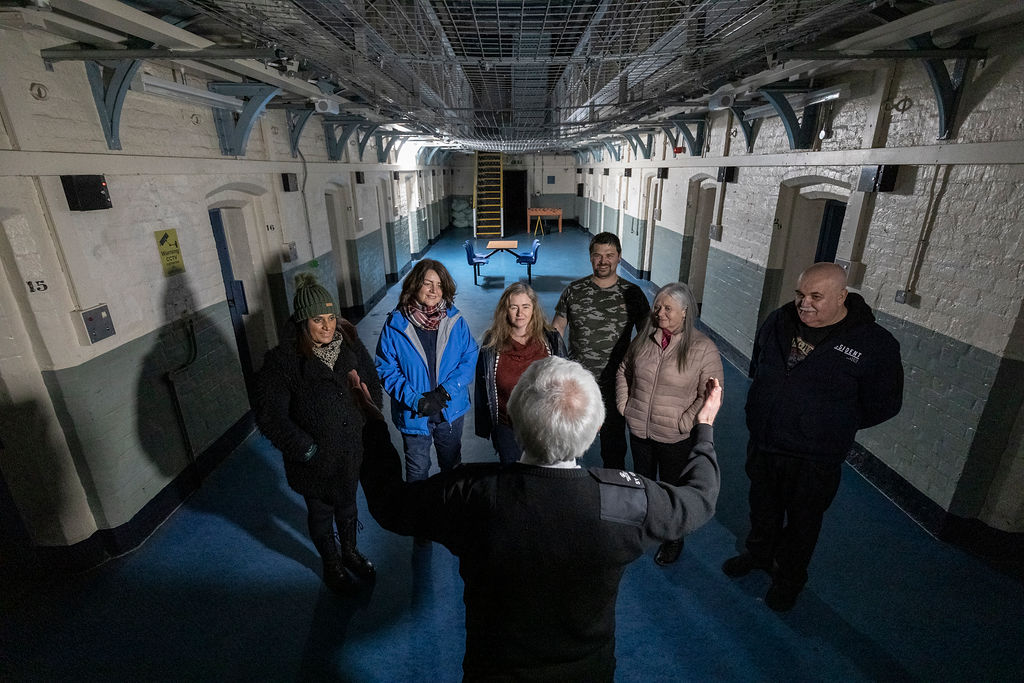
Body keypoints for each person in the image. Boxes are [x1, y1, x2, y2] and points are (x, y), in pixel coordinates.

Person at [353, 356, 722, 681]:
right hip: (587, 673)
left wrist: (372, 424)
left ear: (513, 420)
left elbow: (389, 505)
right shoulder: (625, 499)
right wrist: (703, 428)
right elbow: (700, 499)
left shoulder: (470, 493)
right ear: (595, 430)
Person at [723, 262, 903, 611]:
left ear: (842, 297)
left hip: (815, 457)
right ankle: (758, 555)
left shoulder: (874, 344)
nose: (804, 304)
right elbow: (760, 365)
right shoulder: (780, 320)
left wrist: (832, 423)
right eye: (800, 294)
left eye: (816, 297)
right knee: (763, 507)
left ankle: (789, 578)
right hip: (766, 441)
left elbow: (884, 404)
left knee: (803, 522)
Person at [255, 273, 382, 595]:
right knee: (321, 512)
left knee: (349, 505)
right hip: (313, 460)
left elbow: (372, 383)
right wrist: (306, 449)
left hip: (350, 450)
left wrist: (367, 423)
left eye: (330, 317)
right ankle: (331, 562)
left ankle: (350, 552)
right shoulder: (282, 362)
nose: (327, 326)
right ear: (302, 322)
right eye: (317, 319)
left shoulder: (349, 345)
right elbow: (271, 417)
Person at [616, 282, 723, 566]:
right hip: (640, 429)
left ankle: (673, 537)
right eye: (657, 307)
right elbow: (624, 369)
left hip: (675, 436)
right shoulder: (644, 339)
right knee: (644, 481)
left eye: (667, 309)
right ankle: (646, 525)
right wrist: (625, 405)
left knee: (672, 488)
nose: (659, 314)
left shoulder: (703, 349)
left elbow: (709, 392)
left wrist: (684, 423)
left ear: (685, 312)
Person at [375, 259, 478, 485]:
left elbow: (470, 357)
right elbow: (386, 369)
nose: (434, 290)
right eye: (427, 283)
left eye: (439, 285)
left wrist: (445, 393)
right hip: (414, 414)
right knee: (417, 472)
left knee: (451, 468)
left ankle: (449, 516)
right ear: (414, 285)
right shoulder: (396, 324)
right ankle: (419, 519)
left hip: (449, 410)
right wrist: (416, 401)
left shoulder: (455, 321)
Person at [553, 232, 650, 469]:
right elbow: (556, 330)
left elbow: (647, 336)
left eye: (609, 255)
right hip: (578, 382)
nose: (603, 261)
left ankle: (614, 490)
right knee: (569, 443)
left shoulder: (633, 293)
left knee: (614, 445)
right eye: (597, 255)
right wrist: (558, 368)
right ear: (590, 258)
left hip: (616, 382)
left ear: (619, 258)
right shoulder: (574, 291)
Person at [474, 282, 567, 464]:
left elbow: (566, 381)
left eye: (525, 306)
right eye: (513, 307)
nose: (520, 313)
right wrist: (486, 426)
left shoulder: (551, 339)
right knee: (514, 480)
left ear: (534, 308)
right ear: (505, 310)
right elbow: (481, 386)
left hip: (545, 426)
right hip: (507, 426)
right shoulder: (492, 344)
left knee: (543, 477)